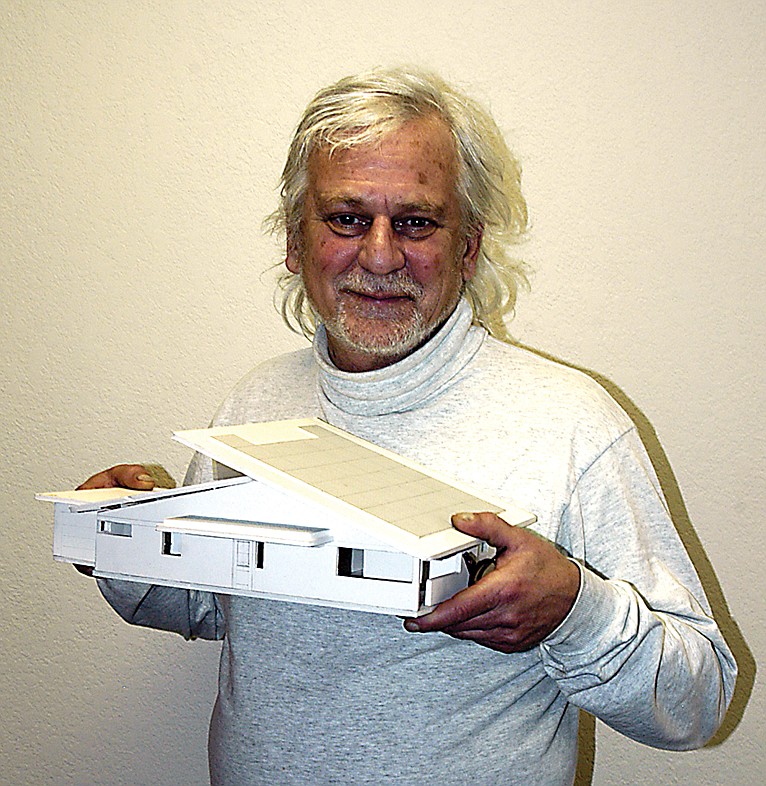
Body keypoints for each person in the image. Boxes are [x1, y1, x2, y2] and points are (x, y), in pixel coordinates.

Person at [79, 68, 737, 786]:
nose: (383, 255)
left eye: (417, 222)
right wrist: (123, 536)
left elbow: (698, 702)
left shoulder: (572, 423)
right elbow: (209, 605)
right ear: (295, 243)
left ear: (469, 246)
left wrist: (576, 609)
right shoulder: (257, 400)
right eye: (347, 218)